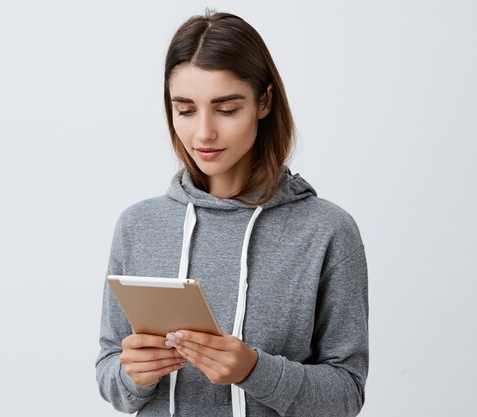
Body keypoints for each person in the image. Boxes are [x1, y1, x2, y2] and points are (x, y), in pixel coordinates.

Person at [96, 10, 368, 417]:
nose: (203, 133)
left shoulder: (327, 231)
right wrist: (134, 375)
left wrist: (253, 369)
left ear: (264, 102)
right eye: (185, 110)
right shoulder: (138, 226)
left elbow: (346, 395)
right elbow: (109, 372)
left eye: (225, 109)